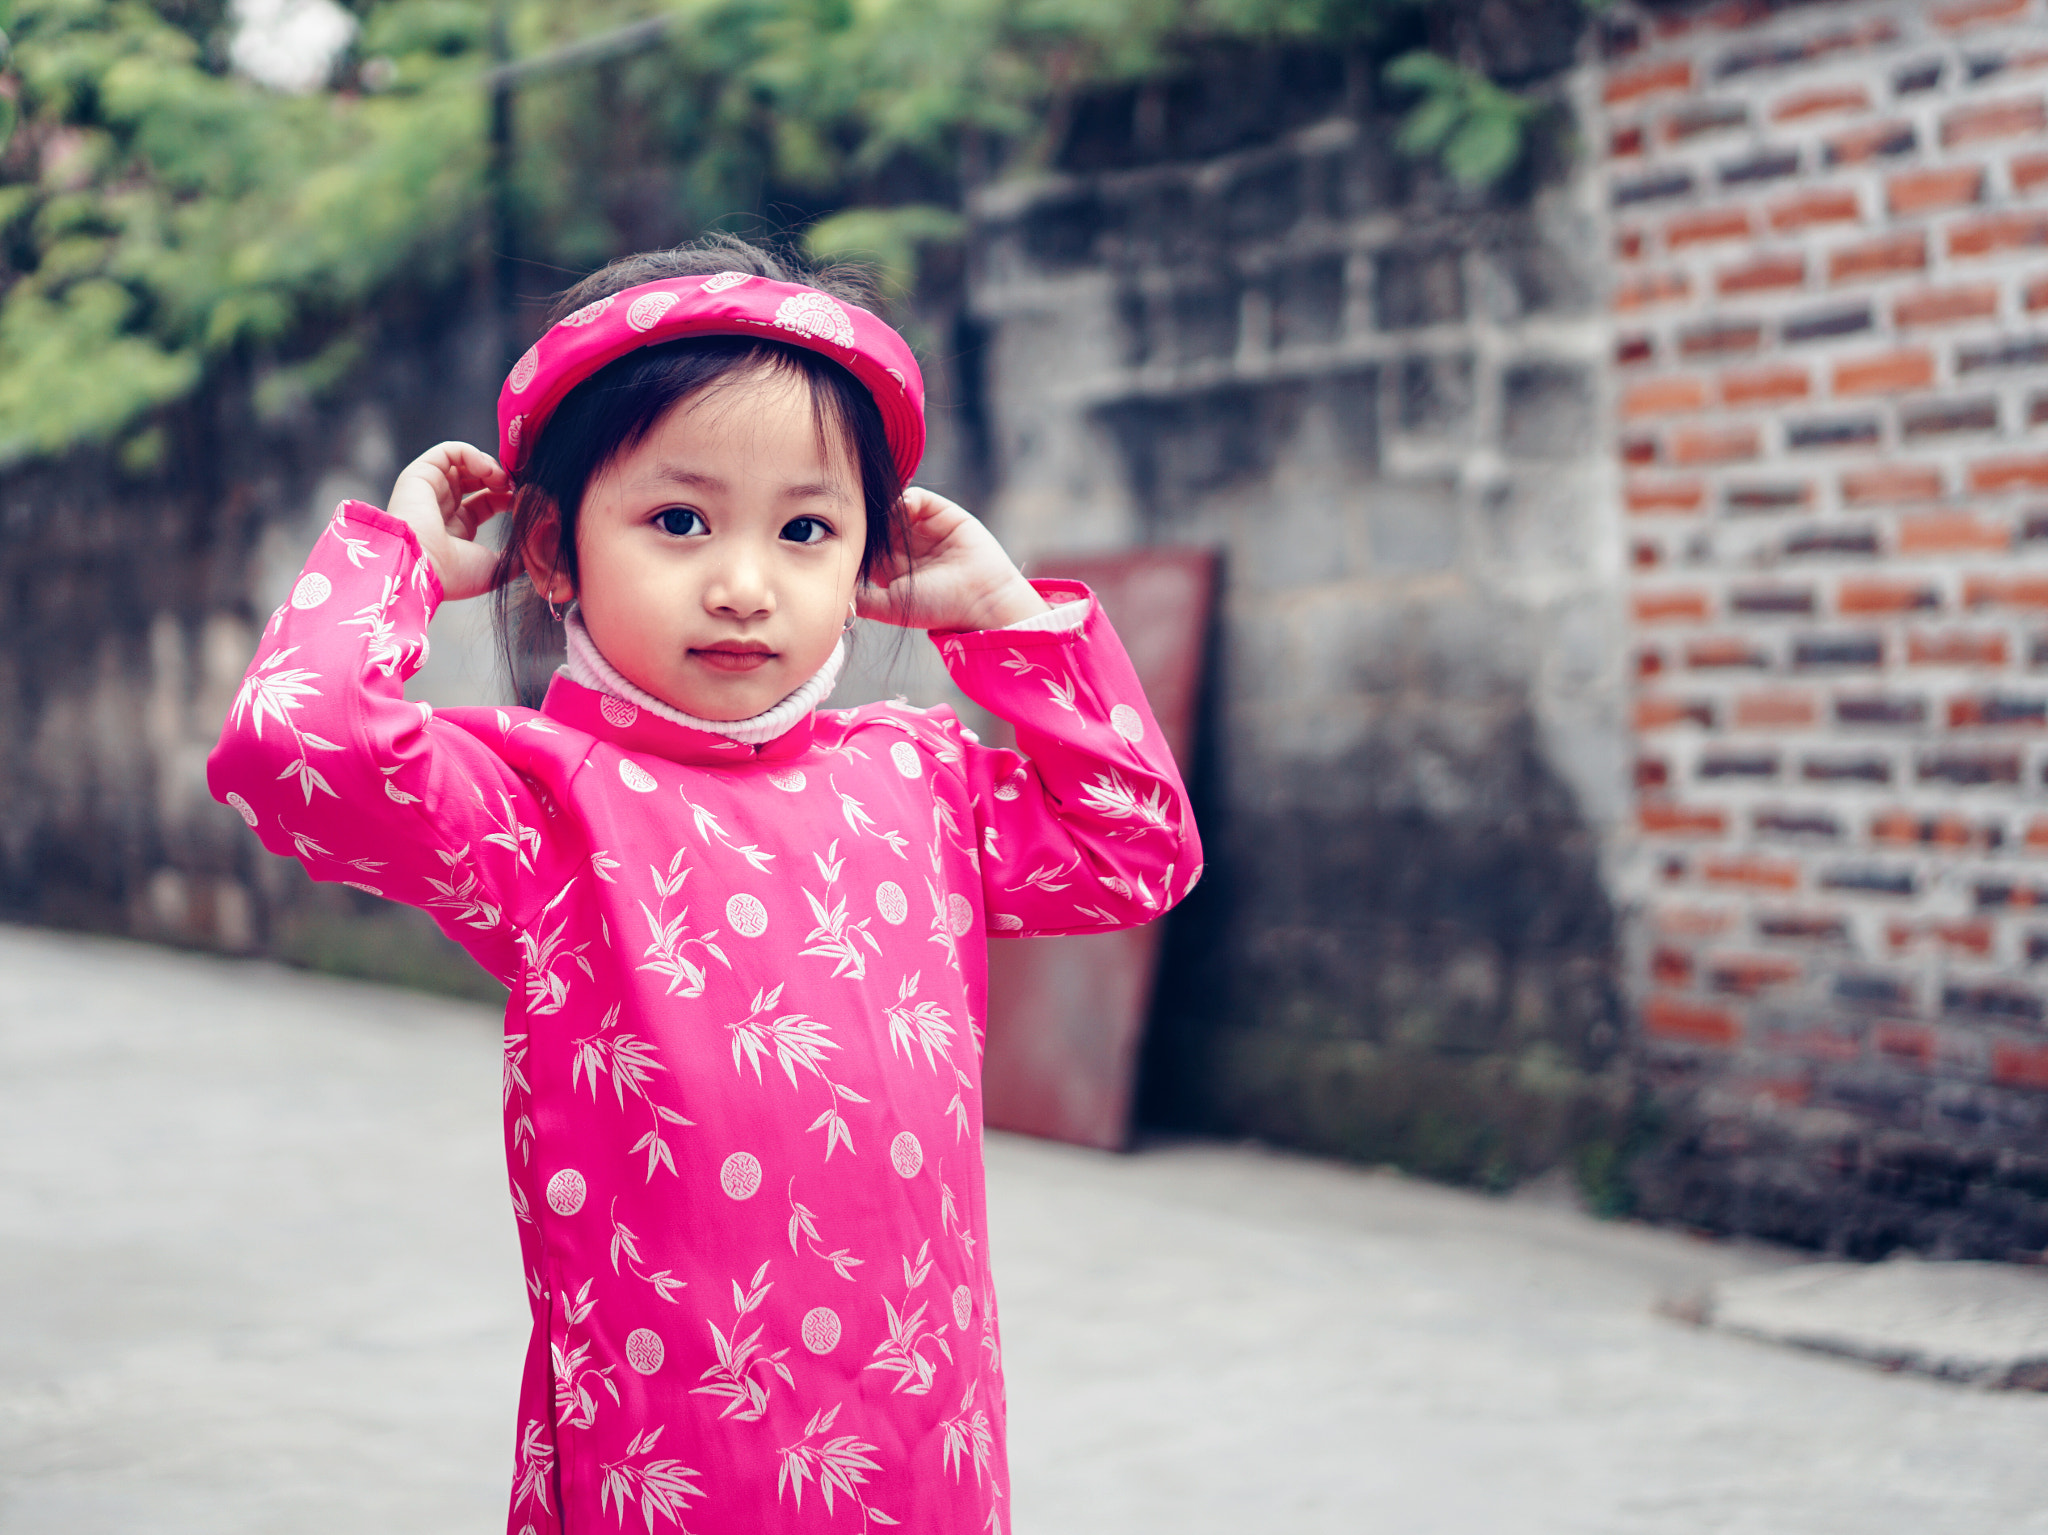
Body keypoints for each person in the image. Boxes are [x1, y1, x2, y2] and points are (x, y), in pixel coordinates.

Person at [207, 234, 1200, 1534]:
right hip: (668, 1461)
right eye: (678, 521)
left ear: (864, 559)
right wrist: (403, 565)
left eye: (806, 529)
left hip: (923, 1443)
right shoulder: (537, 808)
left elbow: (1137, 847)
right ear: (554, 553)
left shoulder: (922, 779)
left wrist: (1006, 619)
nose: (744, 585)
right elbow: (296, 745)